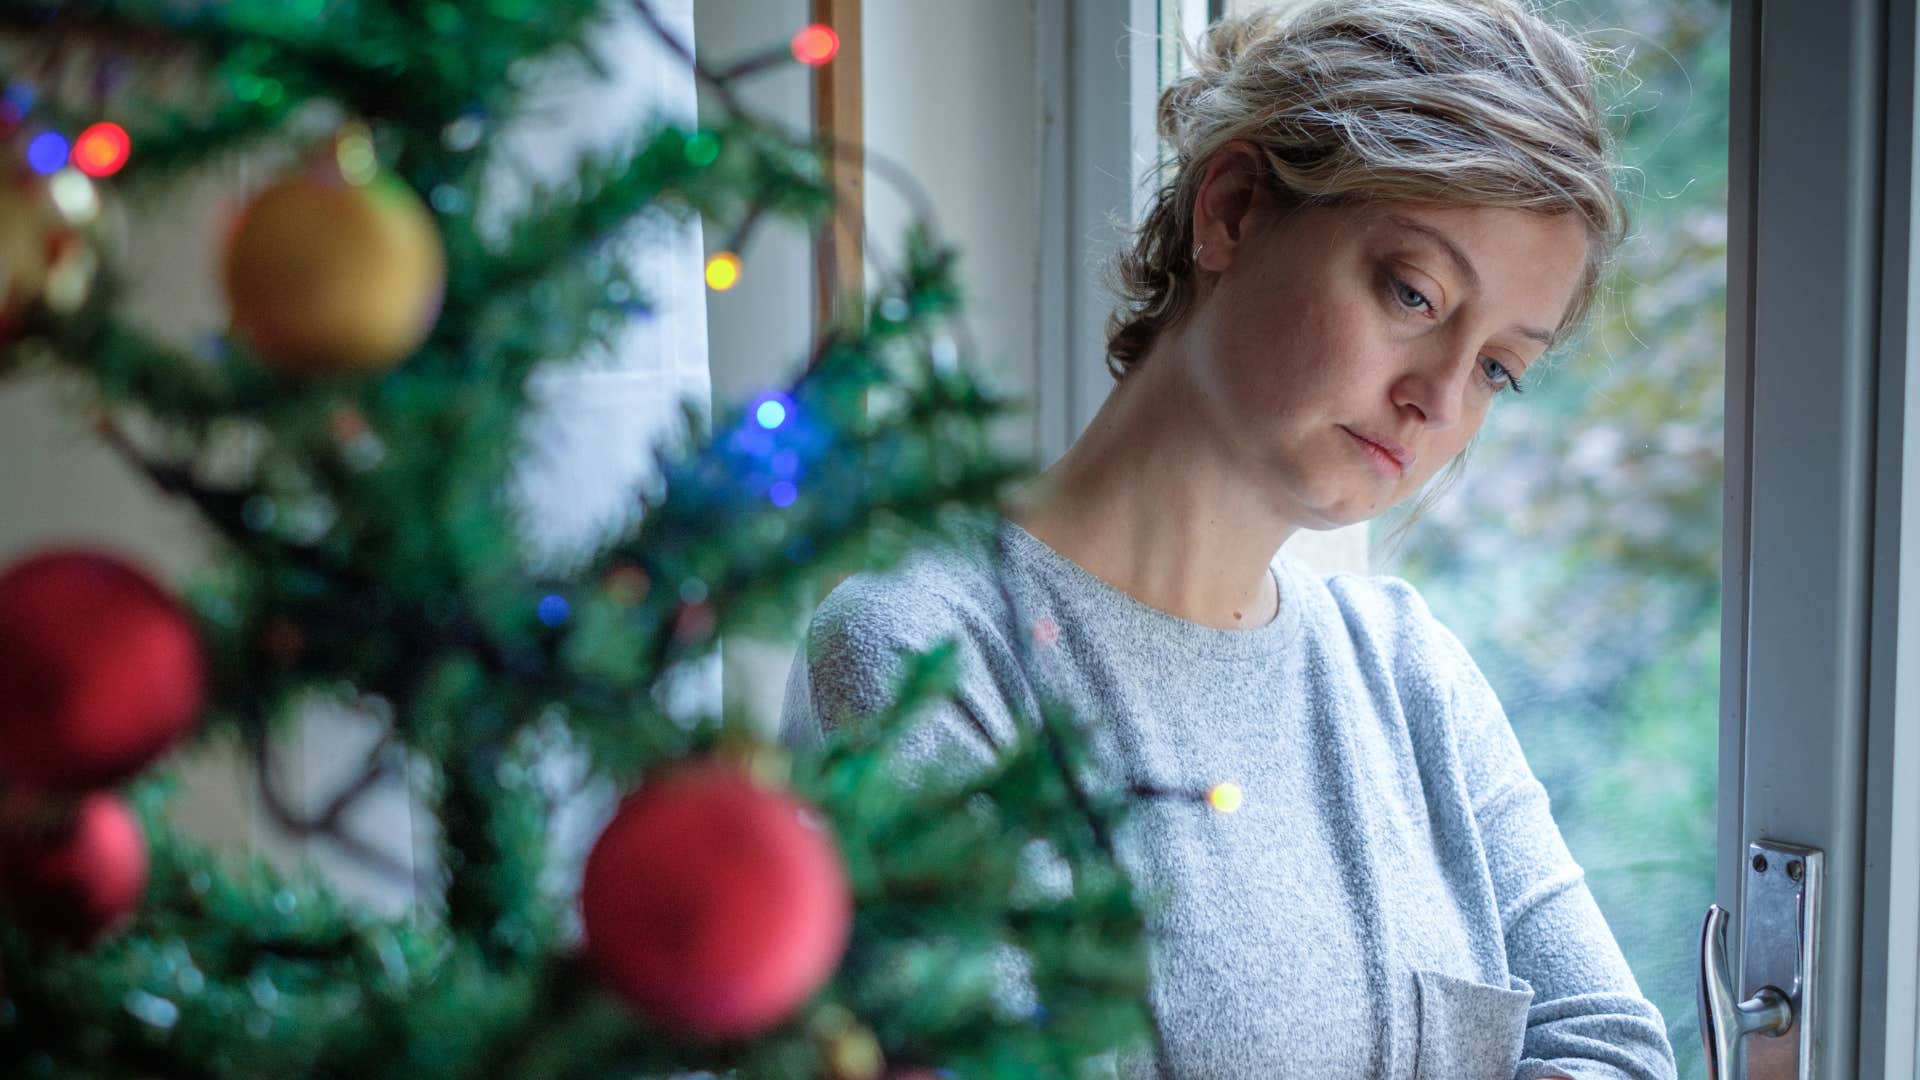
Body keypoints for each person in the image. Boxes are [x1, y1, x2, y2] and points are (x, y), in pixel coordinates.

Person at [779, 1, 1680, 1077]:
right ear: (1235, 210)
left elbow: (1614, 1050)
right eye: (1413, 293)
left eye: (1496, 367)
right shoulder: (923, 657)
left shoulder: (1408, 674)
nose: (1438, 397)